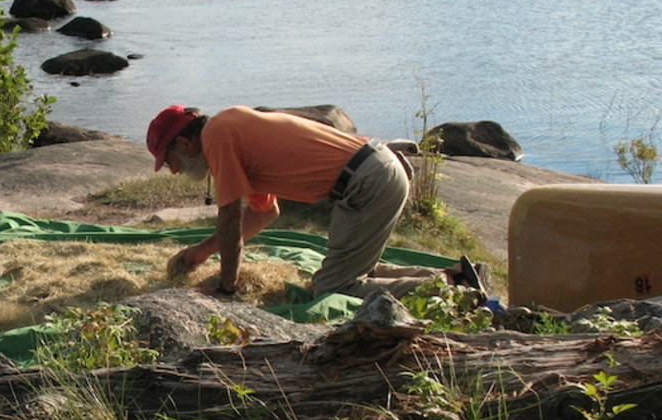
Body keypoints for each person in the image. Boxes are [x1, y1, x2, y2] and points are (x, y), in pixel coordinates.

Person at [147, 104, 480, 299]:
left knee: (335, 289)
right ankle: (453, 275)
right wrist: (201, 252)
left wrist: (226, 286)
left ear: (185, 143)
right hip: (376, 170)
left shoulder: (217, 137)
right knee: (354, 269)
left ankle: (456, 292)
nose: (174, 171)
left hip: (368, 181)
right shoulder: (229, 129)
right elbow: (263, 213)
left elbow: (231, 219)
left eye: (169, 159)